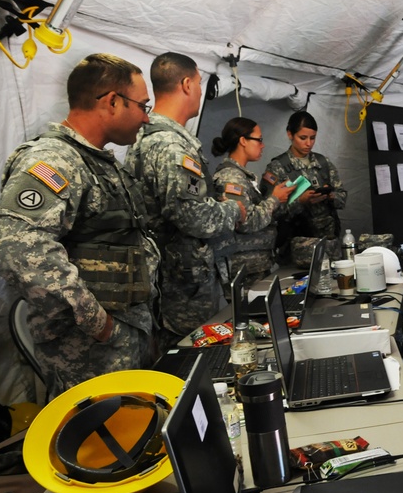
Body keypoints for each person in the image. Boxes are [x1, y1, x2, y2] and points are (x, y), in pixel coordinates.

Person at [0, 53, 159, 398]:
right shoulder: (54, 159)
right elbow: (17, 249)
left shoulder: (98, 162)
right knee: (101, 447)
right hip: (89, 353)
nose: (147, 117)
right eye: (143, 105)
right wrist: (98, 322)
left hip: (123, 336)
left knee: (135, 439)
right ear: (113, 101)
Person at [125, 52, 243, 351]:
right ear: (187, 84)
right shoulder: (170, 145)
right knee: (191, 361)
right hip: (183, 287)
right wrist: (233, 210)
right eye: (201, 84)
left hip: (175, 279)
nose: (201, 92)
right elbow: (193, 216)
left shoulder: (148, 137)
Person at [260, 110, 347, 264]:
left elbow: (343, 196)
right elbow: (270, 213)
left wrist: (330, 196)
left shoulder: (323, 163)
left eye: (312, 138)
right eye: (303, 138)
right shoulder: (277, 168)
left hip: (329, 244)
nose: (308, 143)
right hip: (297, 248)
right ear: (290, 134)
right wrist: (301, 201)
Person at [211, 118, 290, 285]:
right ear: (243, 141)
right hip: (244, 268)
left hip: (254, 264)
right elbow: (245, 221)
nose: (263, 145)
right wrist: (274, 199)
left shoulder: (241, 175)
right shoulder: (231, 177)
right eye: (259, 140)